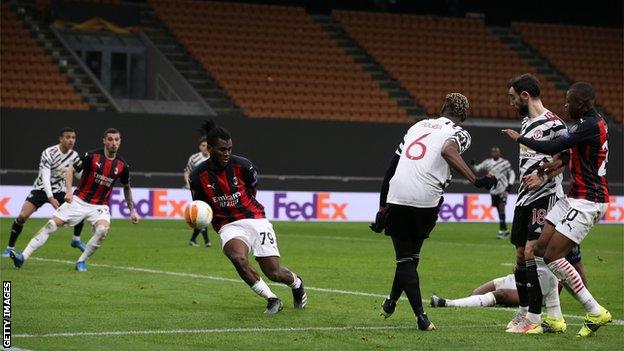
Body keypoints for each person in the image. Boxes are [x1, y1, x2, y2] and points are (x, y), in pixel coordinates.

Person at [369, 93, 497, 331]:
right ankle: (420, 316)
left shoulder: (416, 126)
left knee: (406, 258)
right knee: (410, 257)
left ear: (443, 107)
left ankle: (392, 301)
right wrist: (476, 180)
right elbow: (449, 151)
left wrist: (381, 207)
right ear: (464, 115)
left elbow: (391, 167)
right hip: (426, 199)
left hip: (397, 194)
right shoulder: (460, 133)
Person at [502, 82, 612, 337]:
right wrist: (544, 169)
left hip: (589, 200)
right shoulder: (590, 123)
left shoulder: (588, 125)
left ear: (582, 104)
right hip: (573, 198)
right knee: (538, 250)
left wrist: (521, 139)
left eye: (569, 101)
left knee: (551, 255)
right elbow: (565, 155)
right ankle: (554, 318)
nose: (565, 105)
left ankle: (594, 310)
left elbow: (554, 148)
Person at [188, 120, 307, 315]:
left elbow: (252, 189)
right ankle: (272, 299)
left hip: (255, 218)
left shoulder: (243, 165)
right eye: (221, 149)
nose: (227, 153)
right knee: (237, 257)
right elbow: (201, 206)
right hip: (228, 225)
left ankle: (296, 283)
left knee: (274, 273)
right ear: (209, 148)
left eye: (229, 149)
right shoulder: (197, 177)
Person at [10, 128, 139, 272]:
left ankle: (81, 261)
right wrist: (69, 191)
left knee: (102, 230)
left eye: (116, 140)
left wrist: (132, 210)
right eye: (110, 139)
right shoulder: (91, 156)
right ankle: (22, 257)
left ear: (120, 141)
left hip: (100, 206)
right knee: (51, 225)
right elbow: (71, 170)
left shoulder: (122, 166)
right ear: (104, 141)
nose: (113, 143)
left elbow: (126, 187)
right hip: (79, 200)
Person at [503, 74, 569, 334]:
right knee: (520, 255)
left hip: (547, 194)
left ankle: (535, 316)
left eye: (512, 97)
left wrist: (542, 175)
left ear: (525, 96)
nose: (511, 102)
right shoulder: (526, 122)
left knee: (532, 250)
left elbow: (565, 157)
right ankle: (523, 312)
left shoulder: (555, 123)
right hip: (523, 197)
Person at [2, 127, 86, 258]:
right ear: (61, 139)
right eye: (68, 137)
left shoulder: (74, 156)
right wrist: (50, 197)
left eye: (73, 138)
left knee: (79, 208)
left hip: (60, 191)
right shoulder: (49, 152)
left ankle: (76, 239)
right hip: (41, 189)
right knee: (22, 216)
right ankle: (9, 248)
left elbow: (80, 175)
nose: (71, 140)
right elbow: (45, 177)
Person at [430, 246, 586, 308]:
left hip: (542, 287)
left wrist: (584, 297)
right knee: (475, 294)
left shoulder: (562, 238)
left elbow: (576, 265)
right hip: (518, 277)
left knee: (501, 295)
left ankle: (446, 303)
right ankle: (463, 303)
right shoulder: (533, 221)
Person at [471, 146, 516, 239]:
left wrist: (509, 187)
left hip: (503, 190)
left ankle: (501, 231)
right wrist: (472, 165)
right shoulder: (487, 163)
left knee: (501, 208)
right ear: (491, 153)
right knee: (499, 210)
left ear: (499, 153)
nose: (495, 153)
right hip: (493, 191)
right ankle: (506, 231)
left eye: (497, 152)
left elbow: (512, 174)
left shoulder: (505, 163)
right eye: (493, 152)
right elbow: (477, 169)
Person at [183, 136, 211, 247]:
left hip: (210, 190)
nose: (205, 148)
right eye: (203, 145)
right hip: (198, 190)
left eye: (207, 146)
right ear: (200, 147)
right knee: (202, 212)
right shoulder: (194, 158)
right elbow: (187, 171)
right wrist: (187, 183)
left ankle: (195, 240)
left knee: (204, 214)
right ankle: (206, 241)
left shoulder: (213, 158)